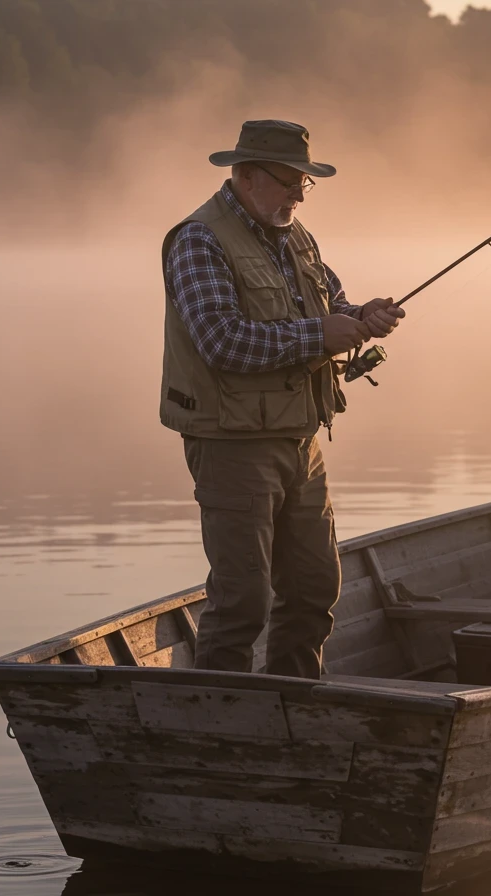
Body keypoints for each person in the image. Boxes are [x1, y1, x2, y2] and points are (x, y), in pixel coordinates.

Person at [159, 119, 403, 677]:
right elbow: (222, 341)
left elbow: (331, 306)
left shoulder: (297, 235)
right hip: (232, 444)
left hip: (301, 438)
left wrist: (362, 318)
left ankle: (294, 711)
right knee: (243, 602)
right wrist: (321, 336)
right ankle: (219, 723)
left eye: (305, 182)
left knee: (316, 588)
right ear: (246, 175)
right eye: (290, 180)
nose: (299, 193)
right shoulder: (199, 239)